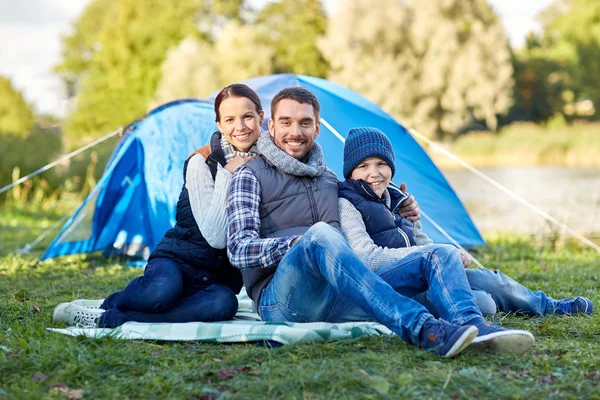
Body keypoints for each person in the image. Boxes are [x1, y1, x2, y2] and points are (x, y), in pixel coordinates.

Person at [226, 87, 534, 357]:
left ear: (317, 128)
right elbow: (238, 250)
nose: (296, 130)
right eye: (286, 122)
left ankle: (474, 326)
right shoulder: (249, 175)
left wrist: (398, 206)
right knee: (320, 235)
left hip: (338, 292)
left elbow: (364, 203)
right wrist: (300, 245)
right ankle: (423, 330)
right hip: (282, 301)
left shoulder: (330, 179)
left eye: (305, 122)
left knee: (440, 254)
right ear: (271, 125)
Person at [53, 83, 264, 328]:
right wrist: (228, 173)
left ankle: (113, 317)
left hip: (218, 280)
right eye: (230, 119)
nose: (239, 127)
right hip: (177, 262)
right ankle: (108, 305)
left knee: (224, 305)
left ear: (260, 117)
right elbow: (216, 237)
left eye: (247, 116)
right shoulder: (201, 162)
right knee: (161, 290)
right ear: (219, 125)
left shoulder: (269, 164)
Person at [337, 126, 593, 319]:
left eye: (381, 163)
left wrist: (446, 254)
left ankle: (549, 305)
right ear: (351, 172)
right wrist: (434, 255)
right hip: (395, 287)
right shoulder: (348, 203)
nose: (374, 172)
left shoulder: (397, 198)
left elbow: (421, 240)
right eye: (364, 166)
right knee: (485, 304)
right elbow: (366, 257)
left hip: (429, 271)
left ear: (391, 167)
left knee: (493, 281)